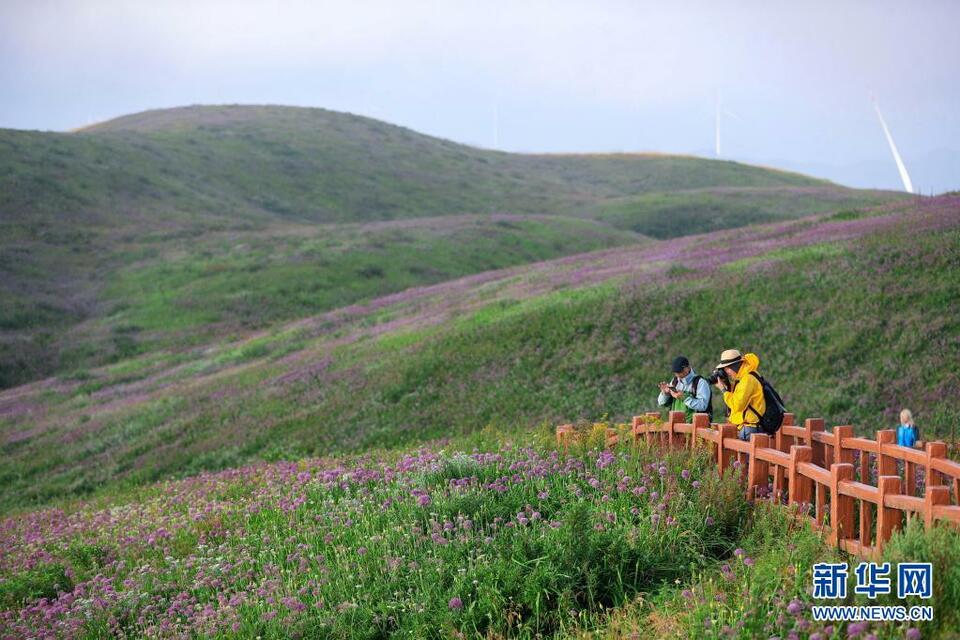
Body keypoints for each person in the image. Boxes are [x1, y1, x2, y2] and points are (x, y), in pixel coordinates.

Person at [712, 349, 765, 441]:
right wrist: (727, 386)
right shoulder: (745, 377)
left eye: (726, 369)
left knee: (747, 455)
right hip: (749, 428)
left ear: (734, 366)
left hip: (750, 429)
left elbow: (737, 405)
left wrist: (723, 390)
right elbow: (739, 396)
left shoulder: (747, 379)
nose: (726, 372)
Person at [657, 355, 712, 423]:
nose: (677, 375)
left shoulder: (701, 383)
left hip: (695, 427)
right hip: (676, 426)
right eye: (675, 373)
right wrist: (665, 394)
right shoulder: (675, 381)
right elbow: (661, 403)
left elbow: (703, 405)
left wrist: (684, 397)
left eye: (679, 372)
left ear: (687, 368)